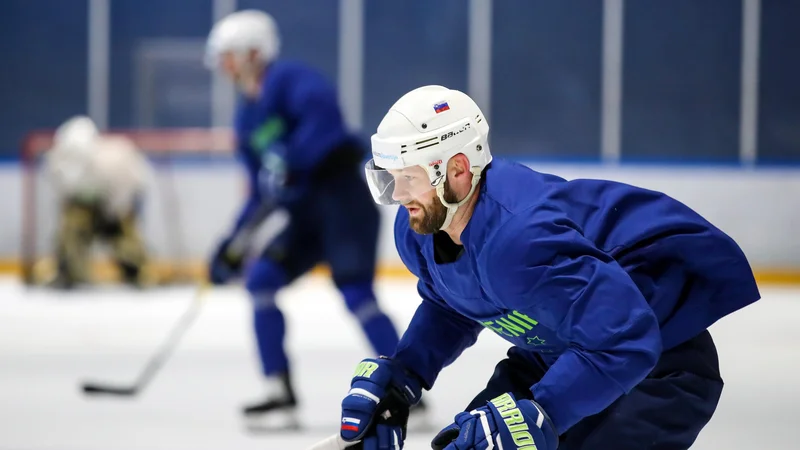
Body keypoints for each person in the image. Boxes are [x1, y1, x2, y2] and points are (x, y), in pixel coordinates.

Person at [337, 85, 761, 450]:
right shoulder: (420, 229)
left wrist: (544, 413)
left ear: (459, 169)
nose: (398, 195)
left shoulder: (520, 239)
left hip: (657, 371)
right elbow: (453, 301)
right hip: (558, 355)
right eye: (389, 179)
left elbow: (626, 341)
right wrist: (407, 373)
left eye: (409, 178)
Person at [203, 10, 410, 430]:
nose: (224, 65)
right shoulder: (246, 118)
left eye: (229, 54)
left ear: (254, 52)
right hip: (304, 217)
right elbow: (262, 189)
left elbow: (325, 128)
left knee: (356, 293)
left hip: (342, 205)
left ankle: (407, 390)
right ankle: (279, 392)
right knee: (261, 282)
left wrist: (291, 160)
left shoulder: (292, 80)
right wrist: (234, 241)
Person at [40, 115, 153, 289]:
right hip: (82, 207)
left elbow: (132, 187)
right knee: (70, 232)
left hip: (114, 206)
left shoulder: (115, 159)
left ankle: (135, 271)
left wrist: (114, 214)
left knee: (126, 238)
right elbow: (64, 196)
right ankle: (69, 271)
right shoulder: (56, 161)